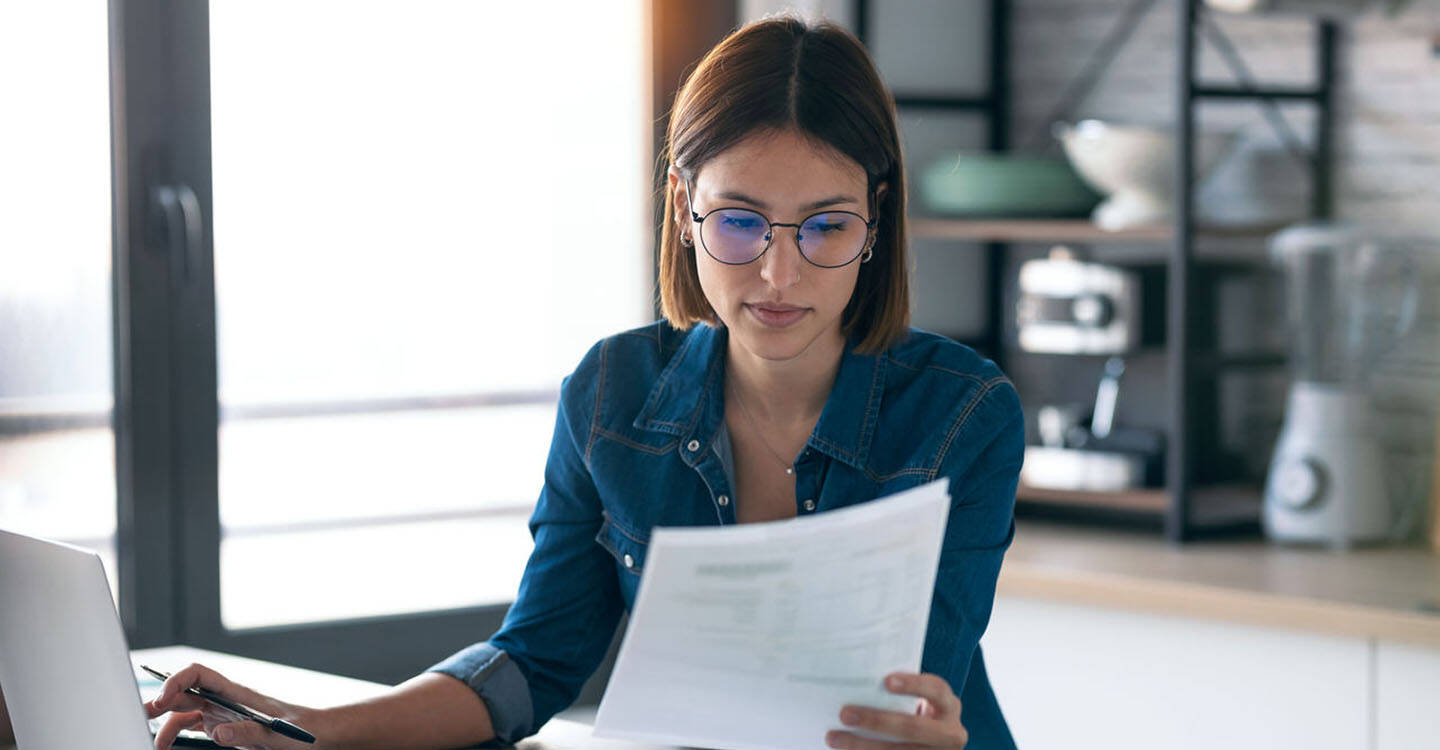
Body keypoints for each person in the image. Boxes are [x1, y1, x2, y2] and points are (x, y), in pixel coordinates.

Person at [147, 15, 1023, 750]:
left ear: (877, 216)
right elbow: (532, 664)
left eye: (826, 227)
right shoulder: (611, 395)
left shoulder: (963, 416)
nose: (780, 275)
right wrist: (308, 727)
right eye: (741, 222)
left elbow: (916, 700)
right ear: (683, 208)